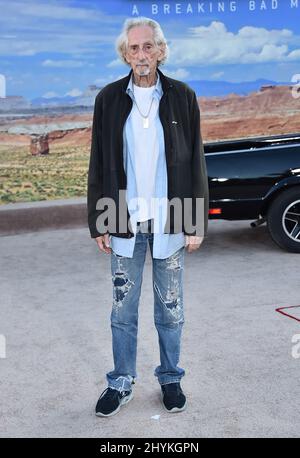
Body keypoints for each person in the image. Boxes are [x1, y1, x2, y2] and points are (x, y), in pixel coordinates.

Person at [87, 16, 209, 417]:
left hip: (170, 221)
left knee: (170, 308)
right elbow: (99, 164)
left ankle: (170, 377)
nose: (141, 54)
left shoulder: (181, 96)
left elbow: (194, 164)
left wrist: (194, 222)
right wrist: (100, 221)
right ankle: (120, 382)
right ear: (125, 54)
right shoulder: (108, 99)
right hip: (123, 223)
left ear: (160, 51)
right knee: (123, 309)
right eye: (134, 48)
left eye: (148, 46)